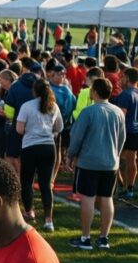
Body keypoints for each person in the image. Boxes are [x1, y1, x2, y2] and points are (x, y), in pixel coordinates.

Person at [66, 78, 125, 250]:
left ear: (95, 92)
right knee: (107, 198)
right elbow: (122, 138)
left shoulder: (88, 112)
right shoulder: (118, 112)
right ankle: (103, 238)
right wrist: (116, 155)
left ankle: (85, 238)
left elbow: (77, 137)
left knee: (88, 199)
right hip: (110, 162)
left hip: (89, 162)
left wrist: (70, 155)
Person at [16, 79, 63, 231]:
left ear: (34, 91)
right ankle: (49, 219)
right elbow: (60, 126)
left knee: (27, 181)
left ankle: (29, 211)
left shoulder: (27, 106)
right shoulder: (53, 106)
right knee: (45, 184)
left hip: (30, 146)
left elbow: (19, 129)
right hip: (48, 147)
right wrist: (52, 133)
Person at [111, 67, 138, 199]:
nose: (120, 79)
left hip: (125, 130)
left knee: (115, 158)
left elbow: (121, 115)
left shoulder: (125, 95)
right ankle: (130, 188)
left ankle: (121, 184)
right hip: (135, 130)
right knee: (131, 159)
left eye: (122, 77)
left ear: (127, 78)